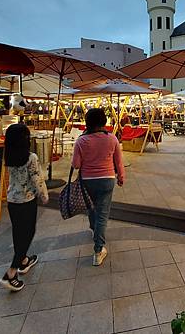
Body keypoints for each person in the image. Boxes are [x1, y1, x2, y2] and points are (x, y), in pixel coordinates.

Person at [72, 108, 125, 266]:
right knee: (102, 213)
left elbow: (76, 165)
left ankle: (95, 231)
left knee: (91, 208)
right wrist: (121, 177)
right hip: (107, 180)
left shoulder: (81, 141)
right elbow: (119, 162)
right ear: (104, 121)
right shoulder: (112, 139)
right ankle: (98, 250)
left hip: (87, 180)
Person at [0, 123, 49, 292]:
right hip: (27, 200)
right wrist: (44, 195)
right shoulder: (31, 157)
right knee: (27, 234)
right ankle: (11, 273)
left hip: (12, 200)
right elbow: (37, 180)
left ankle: (23, 261)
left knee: (18, 232)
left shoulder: (9, 156)